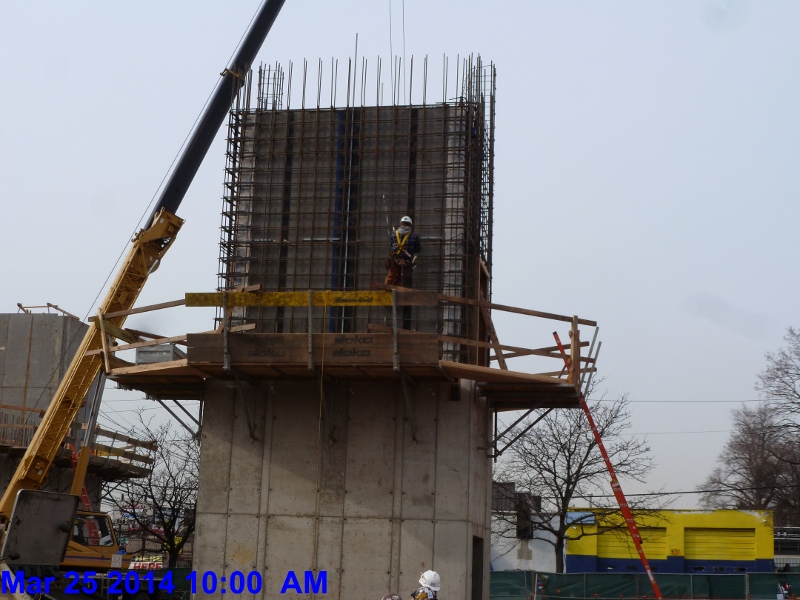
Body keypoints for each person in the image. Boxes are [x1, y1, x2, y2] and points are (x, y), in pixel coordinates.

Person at [385, 216, 421, 286]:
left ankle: (385, 293)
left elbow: (392, 245)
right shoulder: (415, 235)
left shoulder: (393, 234)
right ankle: (397, 293)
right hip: (407, 261)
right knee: (401, 279)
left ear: (401, 224)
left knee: (390, 277)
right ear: (410, 225)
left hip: (395, 260)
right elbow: (418, 249)